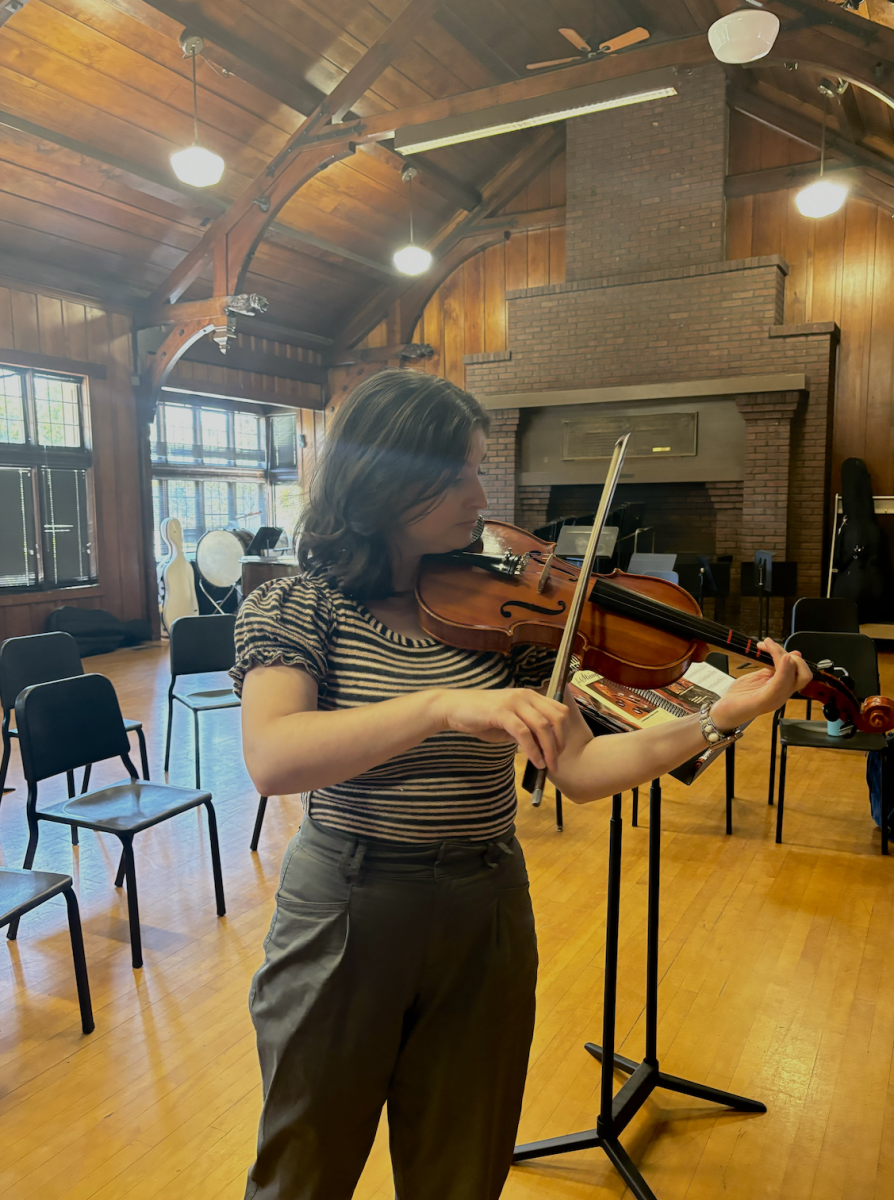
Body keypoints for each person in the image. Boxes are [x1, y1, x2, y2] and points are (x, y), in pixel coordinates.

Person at [232, 369, 811, 1200]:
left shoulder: (500, 614)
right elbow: (274, 757)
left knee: (463, 1168)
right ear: (391, 478)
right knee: (305, 1164)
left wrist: (720, 720)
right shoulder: (298, 607)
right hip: (347, 906)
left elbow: (578, 767)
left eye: (479, 467)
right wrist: (439, 705)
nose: (482, 493)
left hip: (485, 903)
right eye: (462, 470)